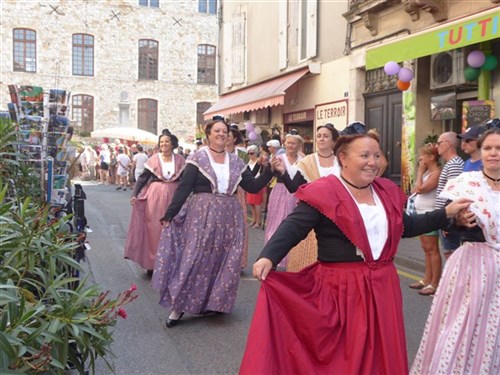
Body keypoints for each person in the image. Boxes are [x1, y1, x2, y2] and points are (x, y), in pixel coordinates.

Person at [239, 133, 472, 375]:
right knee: (344, 359)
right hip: (341, 290)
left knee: (381, 357)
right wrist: (269, 255)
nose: (373, 161)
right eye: (365, 155)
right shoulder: (324, 191)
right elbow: (294, 226)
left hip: (383, 288)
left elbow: (407, 226)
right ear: (344, 158)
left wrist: (447, 214)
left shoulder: (386, 191)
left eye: (376, 155)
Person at [151, 119, 272, 328]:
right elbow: (184, 188)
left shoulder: (236, 162)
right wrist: (170, 213)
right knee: (195, 257)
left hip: (230, 216)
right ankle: (178, 307)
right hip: (202, 214)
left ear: (230, 136)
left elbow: (252, 186)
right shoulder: (197, 158)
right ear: (208, 134)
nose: (221, 134)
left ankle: (214, 302)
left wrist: (270, 171)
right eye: (217, 131)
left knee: (225, 259)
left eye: (225, 131)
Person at [411, 127, 500, 375]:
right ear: (481, 152)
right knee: (464, 326)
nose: (494, 153)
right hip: (474, 264)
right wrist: (458, 220)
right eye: (489, 148)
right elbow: (446, 220)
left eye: (499, 148)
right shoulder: (465, 183)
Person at [273, 123, 340, 271]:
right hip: (312, 217)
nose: (321, 139)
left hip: (337, 216)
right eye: (319, 136)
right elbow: (294, 188)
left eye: (326, 136)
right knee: (307, 264)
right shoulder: (307, 162)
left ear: (334, 141)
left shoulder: (342, 162)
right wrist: (282, 172)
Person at [124, 130, 185, 273]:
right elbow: (143, 178)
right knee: (155, 229)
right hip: (155, 197)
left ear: (173, 144)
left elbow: (186, 180)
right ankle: (153, 263)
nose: (163, 144)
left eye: (167, 141)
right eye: (162, 142)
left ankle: (171, 263)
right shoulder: (153, 160)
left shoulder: (181, 160)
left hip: (175, 197)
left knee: (175, 229)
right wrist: (135, 194)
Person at [265, 133, 304, 267]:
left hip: (297, 194)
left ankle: (292, 258)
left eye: (293, 143)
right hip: (280, 192)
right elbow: (270, 173)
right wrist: (269, 166)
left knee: (293, 225)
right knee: (275, 224)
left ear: (299, 145)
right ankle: (272, 257)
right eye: (288, 143)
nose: (290, 145)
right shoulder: (278, 158)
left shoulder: (303, 159)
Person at [408, 143, 442, 296]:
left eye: (423, 155)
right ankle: (426, 279)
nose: (420, 158)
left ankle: (435, 283)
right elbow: (415, 188)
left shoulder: (436, 173)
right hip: (420, 213)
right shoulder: (428, 173)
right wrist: (421, 173)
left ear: (431, 157)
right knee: (426, 249)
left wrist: (420, 172)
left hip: (430, 214)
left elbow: (420, 189)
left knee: (433, 249)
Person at [435, 131, 464, 259]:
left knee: (451, 254)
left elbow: (454, 194)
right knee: (448, 251)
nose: (436, 146)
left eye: (439, 143)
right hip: (445, 217)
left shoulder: (455, 164)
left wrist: (447, 219)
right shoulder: (451, 164)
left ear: (448, 144)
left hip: (449, 219)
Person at [246, 145, 265, 228]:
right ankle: (254, 219)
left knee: (257, 203)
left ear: (255, 153)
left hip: (257, 183)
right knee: (251, 203)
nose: (250, 155)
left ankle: (258, 221)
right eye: (248, 153)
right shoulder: (249, 162)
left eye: (252, 153)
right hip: (250, 183)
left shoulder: (259, 161)